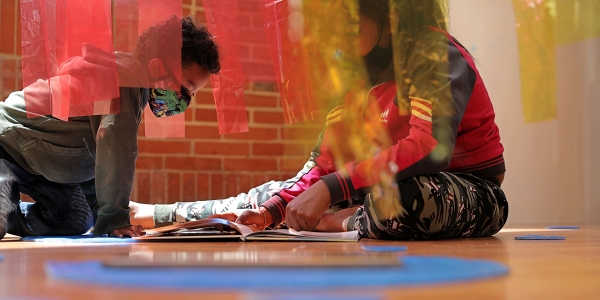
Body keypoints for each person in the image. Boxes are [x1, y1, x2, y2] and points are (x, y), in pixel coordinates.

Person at [131, 0, 508, 240]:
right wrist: (272, 212)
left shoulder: (431, 52)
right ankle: (156, 215)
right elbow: (325, 162)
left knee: (404, 202)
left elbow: (428, 149)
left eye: (351, 29)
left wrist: (330, 190)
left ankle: (342, 222)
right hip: (368, 187)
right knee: (271, 200)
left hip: (464, 189)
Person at [0, 16, 220, 239]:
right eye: (187, 87)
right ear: (156, 67)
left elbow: (90, 154)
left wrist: (101, 210)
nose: (187, 98)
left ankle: (7, 212)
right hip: (8, 144)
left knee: (75, 219)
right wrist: (114, 218)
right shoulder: (126, 79)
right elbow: (116, 148)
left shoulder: (134, 87)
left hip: (40, 163)